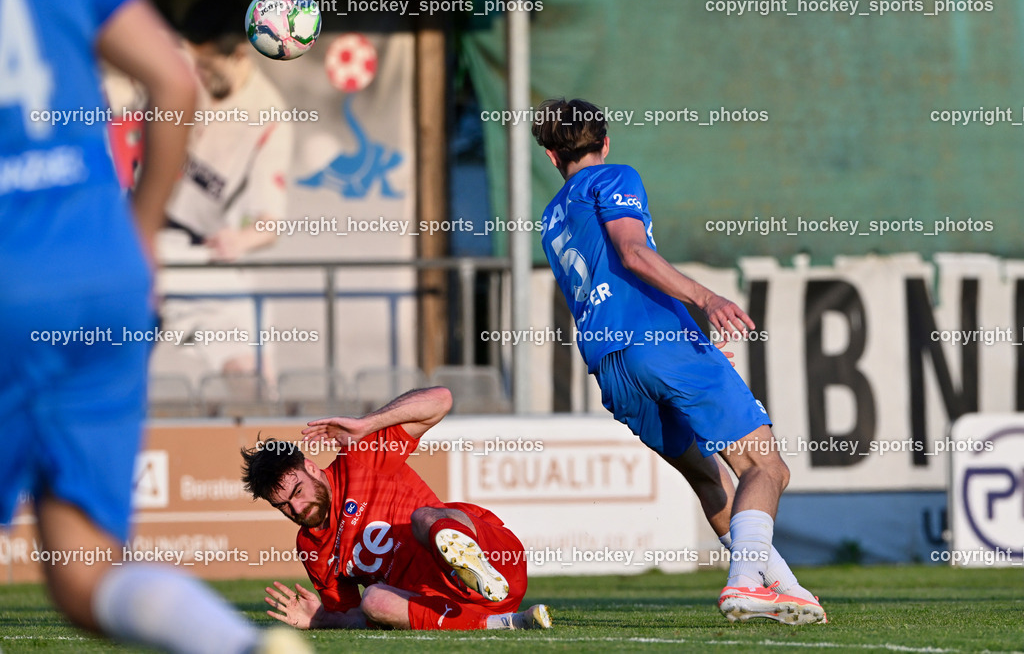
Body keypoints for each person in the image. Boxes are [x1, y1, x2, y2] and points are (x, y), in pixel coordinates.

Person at [0, 0, 306, 652]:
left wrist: (223, 236)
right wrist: (139, 240)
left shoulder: (270, 117)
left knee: (245, 373)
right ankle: (240, 645)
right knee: (85, 571)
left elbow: (267, 214)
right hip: (111, 270)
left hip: (54, 270)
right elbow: (171, 81)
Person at [532, 98, 825, 625]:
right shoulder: (615, 176)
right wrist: (706, 301)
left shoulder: (551, 217)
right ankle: (742, 584)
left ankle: (783, 585)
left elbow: (604, 284)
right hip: (658, 343)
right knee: (765, 466)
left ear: (552, 157)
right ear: (604, 142)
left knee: (710, 476)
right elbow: (633, 254)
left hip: (612, 365)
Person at [240, 387, 552, 631]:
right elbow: (353, 616)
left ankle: (474, 567)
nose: (296, 508)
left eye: (297, 492)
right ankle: (508, 622)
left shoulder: (359, 459)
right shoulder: (311, 545)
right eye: (282, 506)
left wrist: (367, 424)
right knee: (373, 602)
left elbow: (440, 400)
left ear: (310, 467)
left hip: (501, 565)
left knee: (426, 517)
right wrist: (322, 618)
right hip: (444, 608)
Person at [153, 0, 293, 384]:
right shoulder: (172, 67)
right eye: (191, 61)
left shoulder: (269, 116)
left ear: (240, 57)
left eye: (206, 66)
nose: (195, 74)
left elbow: (269, 224)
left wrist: (240, 241)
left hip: (194, 253)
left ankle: (250, 442)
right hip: (126, 237)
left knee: (254, 359)